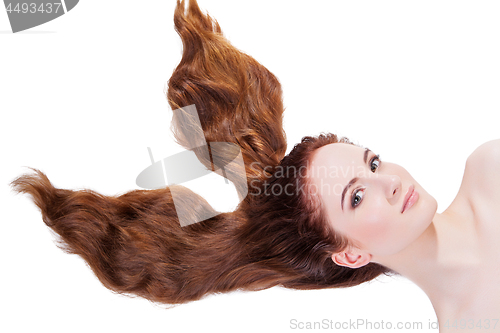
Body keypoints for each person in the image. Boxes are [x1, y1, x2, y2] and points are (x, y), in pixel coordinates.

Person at [10, 0, 500, 331]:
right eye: (356, 195)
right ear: (350, 255)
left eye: (372, 163)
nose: (390, 182)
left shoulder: (489, 170)